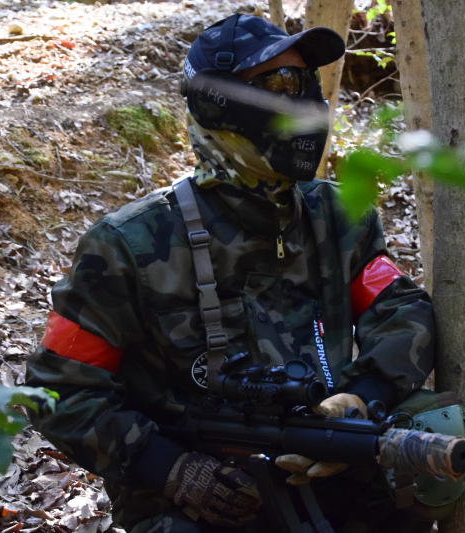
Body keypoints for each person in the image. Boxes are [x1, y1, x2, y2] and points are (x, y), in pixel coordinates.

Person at [26, 13, 436, 533]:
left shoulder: (336, 217)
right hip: (193, 503)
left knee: (426, 448)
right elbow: (58, 390)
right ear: (214, 103)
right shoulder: (130, 244)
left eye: (305, 81)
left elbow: (403, 310)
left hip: (323, 472)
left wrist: (362, 399)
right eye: (279, 82)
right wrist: (170, 468)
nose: (302, 100)